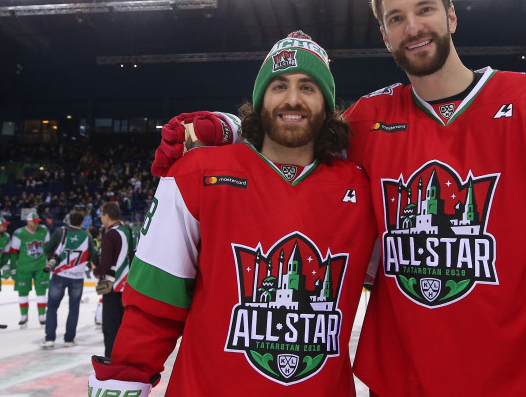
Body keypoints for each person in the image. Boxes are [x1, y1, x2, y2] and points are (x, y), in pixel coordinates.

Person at [150, 0, 526, 395]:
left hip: (522, 379)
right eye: (396, 18)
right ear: (384, 34)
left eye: (424, 10)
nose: (413, 27)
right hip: (400, 382)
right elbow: (293, 130)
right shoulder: (369, 121)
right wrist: (219, 130)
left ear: (451, 14)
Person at [88, 31, 377, 396]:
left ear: (326, 103)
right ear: (259, 101)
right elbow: (154, 306)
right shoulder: (198, 175)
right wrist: (125, 382)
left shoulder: (363, 190)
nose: (292, 99)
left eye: (308, 87)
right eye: (278, 86)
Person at [41, 210, 92, 348]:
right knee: (74, 308)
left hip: (59, 274)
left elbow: (46, 248)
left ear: (69, 220)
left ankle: (50, 338)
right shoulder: (87, 237)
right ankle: (69, 340)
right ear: (82, 222)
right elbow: (93, 256)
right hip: (77, 277)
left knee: (52, 307)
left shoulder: (60, 232)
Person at [95, 201, 136, 358]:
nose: (101, 218)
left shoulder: (109, 235)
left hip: (112, 286)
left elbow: (105, 265)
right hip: (128, 284)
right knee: (124, 326)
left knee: (111, 327)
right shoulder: (128, 230)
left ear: (106, 216)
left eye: (101, 215)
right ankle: (126, 356)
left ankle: (112, 360)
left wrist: (94, 269)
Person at [7, 211, 50, 327]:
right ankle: (24, 316)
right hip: (24, 267)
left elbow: (48, 247)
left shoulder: (43, 230)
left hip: (41, 266)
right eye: (34, 222)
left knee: (41, 291)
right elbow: (14, 252)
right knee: (23, 292)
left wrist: (49, 263)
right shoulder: (19, 233)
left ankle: (42, 316)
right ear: (28, 221)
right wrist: (13, 268)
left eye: (37, 222)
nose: (36, 224)